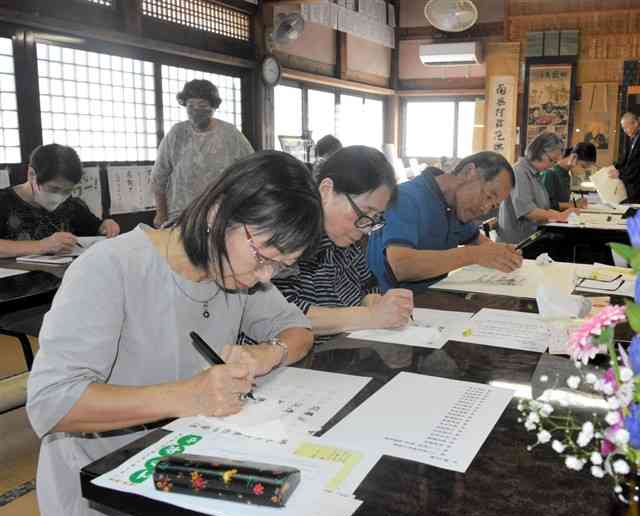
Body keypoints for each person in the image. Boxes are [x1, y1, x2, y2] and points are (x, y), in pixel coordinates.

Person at [26, 151, 321, 516]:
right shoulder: (112, 267)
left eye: (281, 265)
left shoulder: (234, 271)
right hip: (104, 484)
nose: (265, 276)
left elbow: (298, 330)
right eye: (264, 256)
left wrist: (268, 353)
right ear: (219, 211)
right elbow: (51, 403)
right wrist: (190, 397)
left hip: (192, 464)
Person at [274, 145, 413, 343]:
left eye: (375, 217)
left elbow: (368, 285)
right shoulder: (288, 241)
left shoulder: (347, 244)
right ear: (326, 190)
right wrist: (371, 316)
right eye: (365, 213)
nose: (366, 228)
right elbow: (280, 313)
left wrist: (381, 306)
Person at [367, 151, 521, 292]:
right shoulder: (407, 197)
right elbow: (401, 266)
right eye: (488, 196)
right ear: (468, 172)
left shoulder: (458, 206)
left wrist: (503, 253)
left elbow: (482, 245)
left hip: (431, 300)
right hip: (385, 306)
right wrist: (472, 255)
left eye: (493, 205)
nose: (485, 209)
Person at [151, 79, 254, 226]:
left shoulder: (230, 134)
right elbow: (158, 177)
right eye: (190, 105)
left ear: (214, 106)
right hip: (181, 215)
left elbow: (251, 170)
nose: (195, 111)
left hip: (219, 216)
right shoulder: (177, 134)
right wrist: (160, 213)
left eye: (202, 105)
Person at [0, 144, 120, 258]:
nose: (59, 196)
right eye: (54, 188)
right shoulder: (4, 201)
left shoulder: (72, 205)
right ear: (32, 174)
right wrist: (41, 246)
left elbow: (96, 227)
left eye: (67, 191)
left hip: (67, 278)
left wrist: (106, 226)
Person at [498, 134, 578, 249]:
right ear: (539, 152)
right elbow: (528, 212)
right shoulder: (520, 172)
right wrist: (560, 216)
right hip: (518, 243)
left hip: (532, 236)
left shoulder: (535, 174)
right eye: (551, 160)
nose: (552, 166)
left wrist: (566, 214)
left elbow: (542, 207)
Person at [612, 112, 640, 204]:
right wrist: (615, 167)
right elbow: (627, 160)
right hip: (633, 188)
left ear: (635, 123)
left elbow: (638, 166)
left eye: (626, 127)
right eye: (623, 128)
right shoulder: (635, 137)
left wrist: (620, 173)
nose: (624, 131)